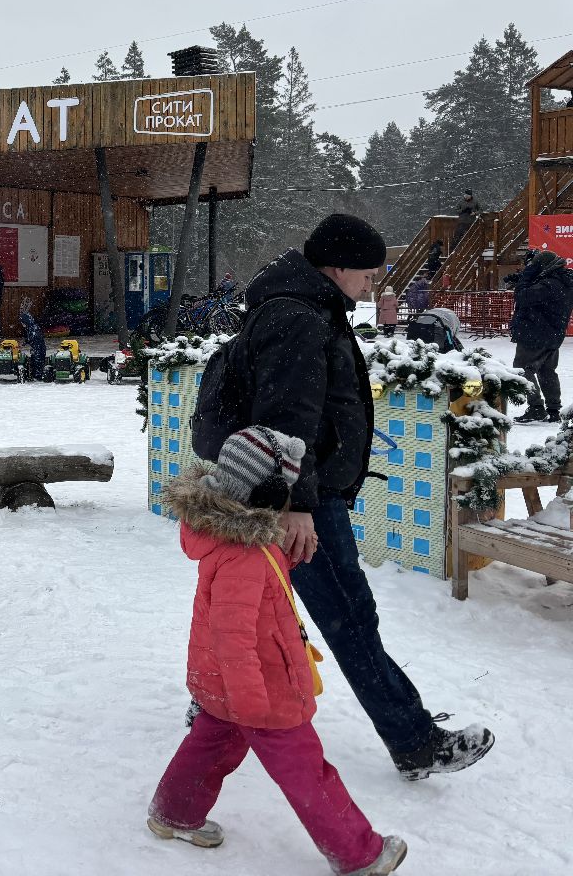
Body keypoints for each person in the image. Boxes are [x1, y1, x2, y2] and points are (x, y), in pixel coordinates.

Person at [200, 213, 494, 780]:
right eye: (368, 273)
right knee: (349, 619)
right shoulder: (299, 318)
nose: (373, 284)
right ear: (336, 268)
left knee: (256, 612)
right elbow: (288, 420)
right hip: (300, 501)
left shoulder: (301, 306)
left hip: (284, 493)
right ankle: (414, 741)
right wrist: (299, 505)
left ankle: (213, 706)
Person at [149, 427, 407, 876]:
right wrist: (251, 703)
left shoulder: (240, 537)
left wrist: (284, 560)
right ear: (264, 493)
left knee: (210, 746)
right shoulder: (243, 555)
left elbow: (252, 593)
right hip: (260, 688)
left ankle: (174, 812)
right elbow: (234, 636)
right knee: (306, 770)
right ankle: (359, 853)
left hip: (229, 682)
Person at [509, 250, 573, 424]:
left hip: (535, 334)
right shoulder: (563, 282)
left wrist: (526, 277)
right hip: (552, 334)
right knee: (547, 371)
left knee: (522, 369)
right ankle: (553, 409)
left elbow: (522, 297)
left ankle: (536, 407)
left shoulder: (549, 285)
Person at [18, 299, 45, 380]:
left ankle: (38, 375)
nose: (22, 324)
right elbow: (28, 338)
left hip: (39, 348)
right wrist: (23, 343)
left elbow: (32, 338)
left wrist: (28, 342)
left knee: (38, 361)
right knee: (34, 360)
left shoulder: (33, 329)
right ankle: (34, 374)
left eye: (22, 322)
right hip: (35, 347)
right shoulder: (30, 328)